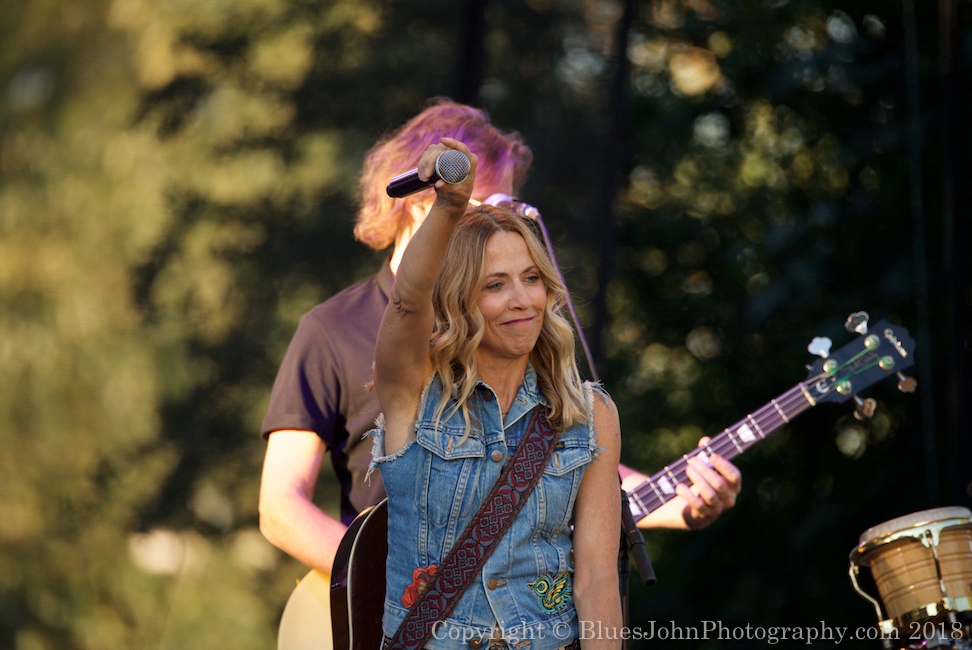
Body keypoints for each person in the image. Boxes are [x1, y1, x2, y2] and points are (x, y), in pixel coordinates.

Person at [258, 98, 741, 579]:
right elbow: (281, 506)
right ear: (422, 199)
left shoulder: (511, 326)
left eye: (509, 208)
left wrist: (683, 501)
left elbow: (577, 470)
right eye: (486, 204)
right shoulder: (331, 328)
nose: (503, 224)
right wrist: (378, 584)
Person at [371, 137, 619, 646]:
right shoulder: (415, 396)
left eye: (531, 278)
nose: (521, 299)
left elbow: (596, 580)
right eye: (495, 285)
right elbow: (404, 305)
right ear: (460, 300)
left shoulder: (589, 413)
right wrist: (449, 208)